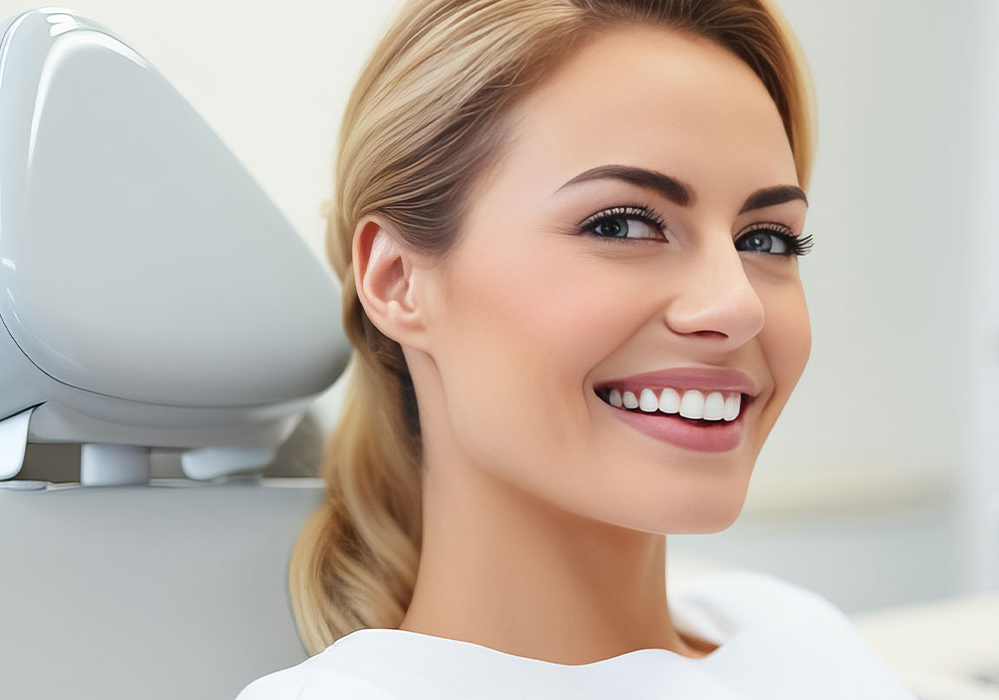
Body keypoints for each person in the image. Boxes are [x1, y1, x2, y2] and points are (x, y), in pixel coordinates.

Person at [239, 0, 914, 697]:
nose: (737, 304)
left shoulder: (793, 636)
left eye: (765, 239)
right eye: (622, 225)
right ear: (399, 281)